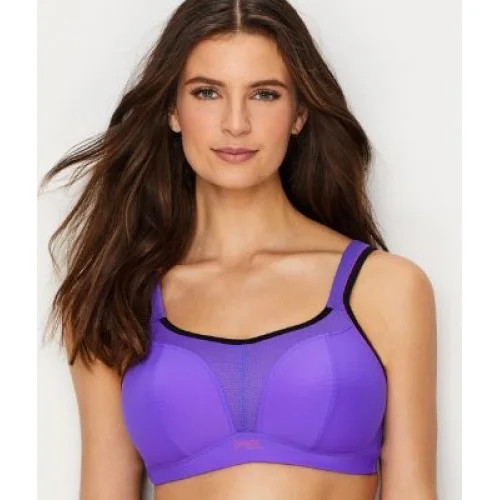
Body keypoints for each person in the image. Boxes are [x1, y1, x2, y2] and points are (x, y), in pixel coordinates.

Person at [39, 0, 437, 499]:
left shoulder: (386, 288)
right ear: (172, 111)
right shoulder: (116, 296)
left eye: (264, 94)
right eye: (207, 92)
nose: (236, 123)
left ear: (299, 114)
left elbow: (414, 489)